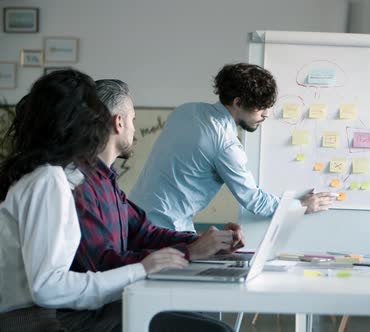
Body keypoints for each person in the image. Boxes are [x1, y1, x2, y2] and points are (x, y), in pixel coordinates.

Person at [0, 70, 186, 331]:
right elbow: (47, 288)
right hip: (33, 322)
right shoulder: (48, 180)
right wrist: (142, 269)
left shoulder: (50, 176)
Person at [70, 79, 241, 331]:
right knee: (215, 329)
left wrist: (204, 241)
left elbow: (142, 231)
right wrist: (190, 252)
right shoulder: (82, 185)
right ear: (119, 122)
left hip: (115, 301)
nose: (134, 130)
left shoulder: (106, 180)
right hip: (89, 315)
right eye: (133, 120)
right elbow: (103, 265)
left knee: (203, 316)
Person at [130, 63, 335, 232]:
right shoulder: (226, 144)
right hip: (163, 230)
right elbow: (254, 200)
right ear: (238, 102)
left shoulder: (186, 110)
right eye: (260, 107)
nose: (266, 114)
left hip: (134, 217)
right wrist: (301, 205)